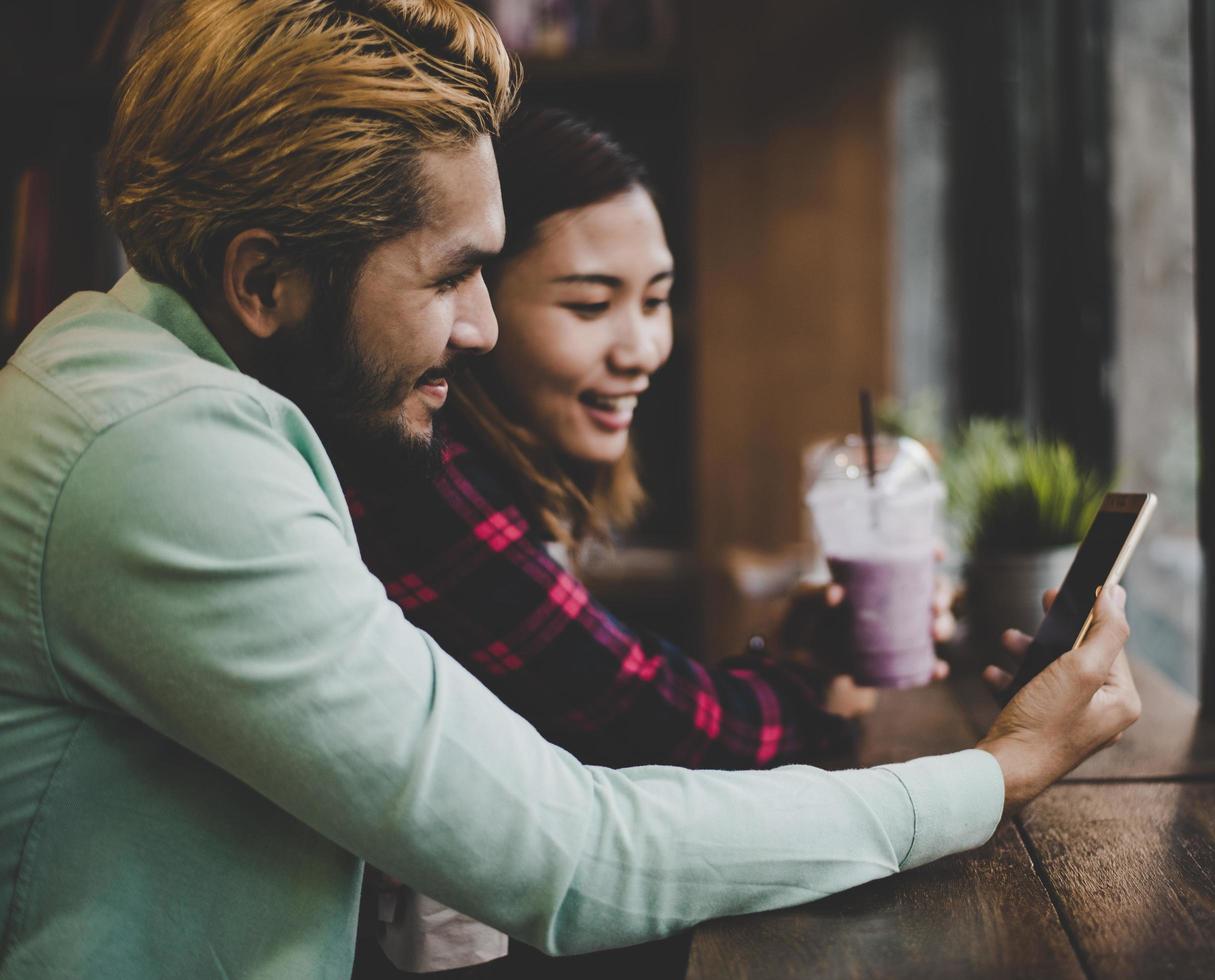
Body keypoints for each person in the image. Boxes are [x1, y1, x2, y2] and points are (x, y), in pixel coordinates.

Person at [0, 3, 1141, 978]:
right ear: (262, 279)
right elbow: (565, 850)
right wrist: (994, 774)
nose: (480, 325)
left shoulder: (147, 387)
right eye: (451, 274)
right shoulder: (160, 450)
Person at [345, 106, 954, 975]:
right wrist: (825, 694)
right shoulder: (426, 480)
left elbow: (617, 704)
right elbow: (661, 728)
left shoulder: (512, 478)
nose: (642, 348)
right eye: (591, 304)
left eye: (658, 300)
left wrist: (802, 656)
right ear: (470, 302)